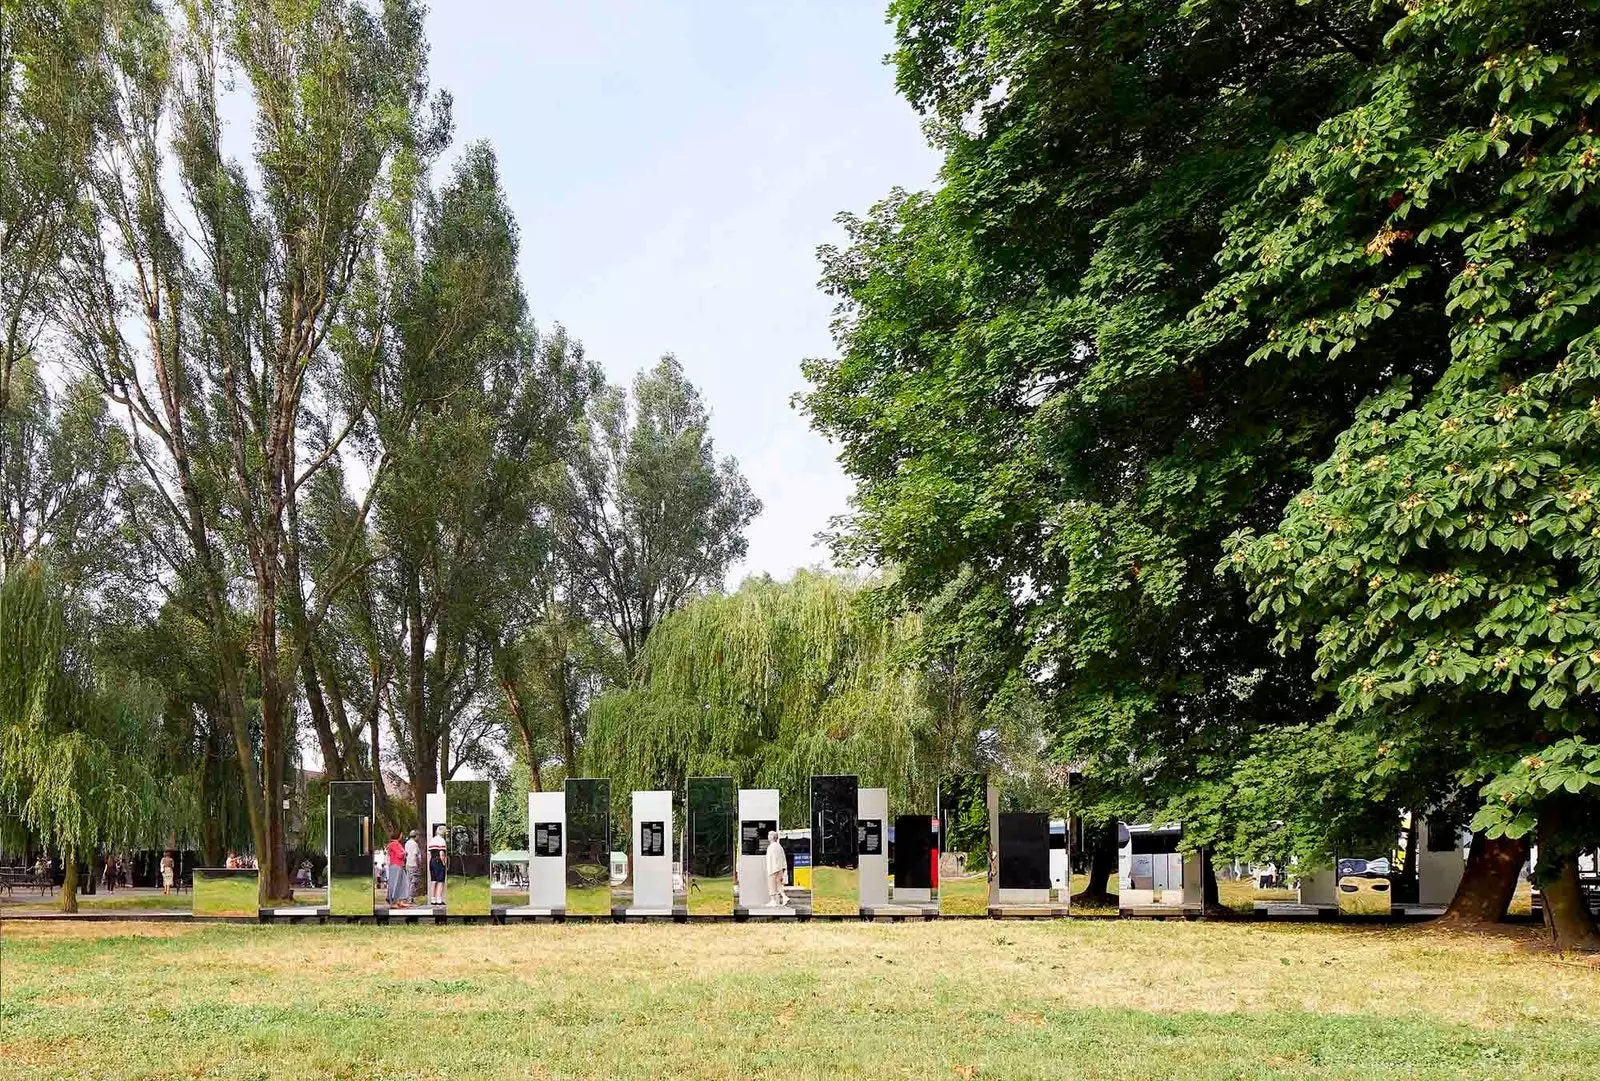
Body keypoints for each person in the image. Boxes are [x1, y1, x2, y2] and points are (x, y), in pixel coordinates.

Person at [765, 831, 789, 907]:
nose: (768, 837)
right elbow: (783, 858)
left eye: (769, 835)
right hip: (780, 868)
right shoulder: (779, 847)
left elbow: (770, 860)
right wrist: (784, 868)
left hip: (773, 869)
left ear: (772, 837)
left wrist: (770, 870)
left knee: (771, 885)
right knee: (778, 884)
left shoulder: (771, 847)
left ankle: (773, 901)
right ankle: (784, 897)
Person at [385, 833, 407, 907]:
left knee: (402, 883)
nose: (402, 836)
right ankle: (393, 902)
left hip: (400, 865)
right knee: (395, 883)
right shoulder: (394, 844)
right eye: (401, 835)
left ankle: (399, 900)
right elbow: (399, 855)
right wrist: (405, 853)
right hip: (396, 865)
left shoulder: (397, 844)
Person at [428, 827, 447, 905]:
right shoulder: (442, 840)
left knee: (433, 880)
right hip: (438, 861)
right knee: (440, 881)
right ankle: (439, 899)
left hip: (432, 860)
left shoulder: (432, 840)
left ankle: (433, 899)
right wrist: (444, 863)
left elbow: (430, 852)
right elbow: (441, 852)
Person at [404, 830, 422, 902]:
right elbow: (415, 855)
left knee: (409, 881)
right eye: (418, 836)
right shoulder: (414, 844)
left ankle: (408, 897)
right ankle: (410, 897)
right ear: (416, 836)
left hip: (408, 864)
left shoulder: (407, 843)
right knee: (414, 882)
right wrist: (417, 865)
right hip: (414, 865)